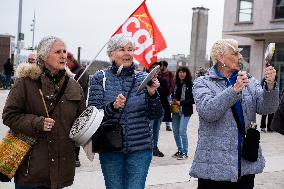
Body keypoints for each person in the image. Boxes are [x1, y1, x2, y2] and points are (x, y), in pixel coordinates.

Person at [189, 39, 279, 189]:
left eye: (240, 53)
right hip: (214, 166)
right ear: (221, 57)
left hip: (244, 163)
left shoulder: (248, 80)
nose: (240, 57)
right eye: (235, 53)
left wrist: (270, 87)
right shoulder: (203, 83)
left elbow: (267, 108)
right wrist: (233, 90)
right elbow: (208, 112)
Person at [2, 36, 86, 189]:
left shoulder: (74, 86)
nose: (63, 55)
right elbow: (9, 115)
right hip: (31, 169)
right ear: (44, 55)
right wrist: (37, 122)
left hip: (61, 171)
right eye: (58, 52)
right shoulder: (25, 82)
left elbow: (81, 121)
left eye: (65, 51)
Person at [88, 33, 163, 189]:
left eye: (130, 49)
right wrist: (113, 106)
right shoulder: (99, 78)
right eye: (122, 49)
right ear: (111, 54)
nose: (127, 53)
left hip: (140, 149)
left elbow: (156, 115)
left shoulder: (144, 78)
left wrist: (152, 94)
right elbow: (93, 115)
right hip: (110, 149)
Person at [66, 51, 89, 167]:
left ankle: (75, 157)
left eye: (66, 62)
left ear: (71, 59)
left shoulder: (82, 71)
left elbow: (80, 89)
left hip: (78, 106)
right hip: (66, 106)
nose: (65, 65)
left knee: (75, 133)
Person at [171, 66, 194, 160]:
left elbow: (193, 100)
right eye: (180, 72)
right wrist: (173, 100)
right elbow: (173, 95)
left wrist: (181, 102)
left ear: (187, 74)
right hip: (176, 110)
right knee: (175, 131)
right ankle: (180, 150)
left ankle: (185, 152)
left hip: (186, 110)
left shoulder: (191, 85)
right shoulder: (175, 84)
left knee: (182, 130)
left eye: (184, 72)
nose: (181, 74)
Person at [147, 62, 169, 157]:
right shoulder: (145, 81)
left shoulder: (162, 80)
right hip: (149, 109)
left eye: (156, 68)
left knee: (156, 130)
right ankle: (148, 148)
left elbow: (167, 93)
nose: (155, 70)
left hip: (160, 108)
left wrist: (157, 86)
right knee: (149, 130)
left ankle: (155, 147)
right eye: (152, 68)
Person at [159, 60, 174, 131]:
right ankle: (158, 123)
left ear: (164, 66)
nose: (160, 67)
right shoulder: (158, 74)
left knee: (167, 109)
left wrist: (170, 92)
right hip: (160, 94)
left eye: (161, 65)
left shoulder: (170, 74)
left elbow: (172, 84)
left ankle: (168, 125)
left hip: (167, 94)